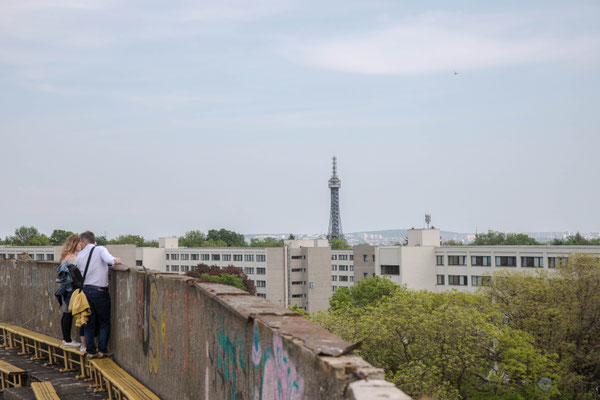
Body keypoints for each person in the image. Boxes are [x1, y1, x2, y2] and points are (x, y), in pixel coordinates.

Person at [76, 231, 121, 358]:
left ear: (84, 242)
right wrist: (116, 260)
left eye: (80, 243)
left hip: (86, 291)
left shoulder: (79, 256)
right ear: (92, 240)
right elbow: (109, 261)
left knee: (89, 322)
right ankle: (102, 350)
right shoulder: (100, 249)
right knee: (104, 322)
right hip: (100, 291)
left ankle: (90, 351)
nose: (80, 245)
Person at [55, 234, 86, 350]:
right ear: (74, 244)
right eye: (79, 243)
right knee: (68, 314)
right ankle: (67, 340)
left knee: (66, 314)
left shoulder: (65, 257)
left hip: (64, 289)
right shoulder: (72, 257)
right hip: (70, 290)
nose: (81, 245)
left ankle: (66, 339)